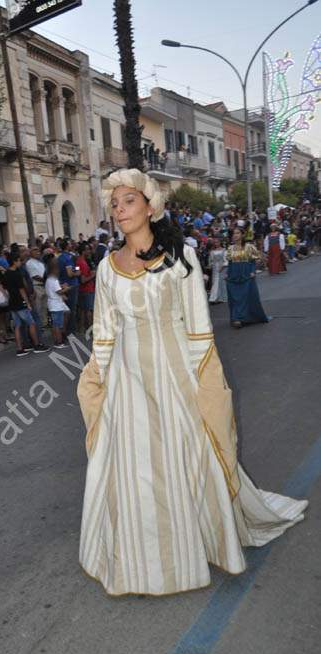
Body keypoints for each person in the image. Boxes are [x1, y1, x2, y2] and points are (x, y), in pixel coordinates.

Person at [76, 167, 307, 597]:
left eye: (128, 200)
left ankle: (189, 547)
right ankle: (139, 561)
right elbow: (104, 331)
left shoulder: (180, 257)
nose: (119, 209)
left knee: (184, 458)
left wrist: (205, 384)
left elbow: (199, 329)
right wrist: (97, 379)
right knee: (132, 468)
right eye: (114, 203)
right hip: (126, 384)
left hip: (174, 375)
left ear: (150, 206)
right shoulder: (107, 268)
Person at [2, 249, 49, 356]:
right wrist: (27, 302)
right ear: (14, 261)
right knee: (31, 322)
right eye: (18, 260)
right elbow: (22, 289)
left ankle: (20, 348)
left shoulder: (6, 273)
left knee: (18, 325)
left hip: (12, 302)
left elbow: (3, 287)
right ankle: (37, 345)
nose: (20, 262)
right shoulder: (17, 273)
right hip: (20, 302)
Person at [225, 228, 269, 329]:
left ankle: (243, 318)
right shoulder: (230, 248)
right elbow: (230, 263)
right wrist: (227, 273)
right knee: (235, 296)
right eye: (233, 233)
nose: (235, 235)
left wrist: (253, 271)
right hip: (234, 274)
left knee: (245, 296)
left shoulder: (249, 247)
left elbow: (253, 261)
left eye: (237, 233)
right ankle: (236, 318)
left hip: (246, 273)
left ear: (242, 235)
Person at [45, 258, 71, 348]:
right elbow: (59, 292)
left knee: (56, 324)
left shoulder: (49, 279)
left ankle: (58, 340)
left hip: (53, 304)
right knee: (58, 325)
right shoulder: (54, 280)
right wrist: (66, 289)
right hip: (56, 304)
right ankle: (59, 342)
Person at [26, 246, 48, 326]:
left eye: (38, 251)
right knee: (38, 307)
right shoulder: (29, 263)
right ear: (31, 253)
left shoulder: (40, 263)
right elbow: (35, 276)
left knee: (44, 307)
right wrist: (46, 280)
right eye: (35, 251)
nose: (38, 253)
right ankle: (37, 325)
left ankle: (44, 324)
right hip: (36, 286)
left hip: (43, 286)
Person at [77, 243, 96, 332]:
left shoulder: (78, 261)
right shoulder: (83, 263)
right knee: (89, 310)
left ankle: (82, 327)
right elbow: (83, 280)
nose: (89, 251)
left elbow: (77, 272)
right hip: (88, 289)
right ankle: (90, 328)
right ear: (83, 251)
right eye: (87, 249)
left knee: (83, 309)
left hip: (82, 289)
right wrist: (94, 275)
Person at [207, 238, 227, 304]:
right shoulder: (212, 251)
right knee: (215, 282)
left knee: (221, 283)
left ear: (220, 242)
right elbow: (211, 260)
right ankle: (215, 298)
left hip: (222, 268)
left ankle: (218, 298)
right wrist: (210, 265)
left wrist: (222, 267)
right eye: (215, 242)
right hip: (215, 269)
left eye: (217, 242)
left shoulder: (224, 251)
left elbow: (226, 261)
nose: (216, 244)